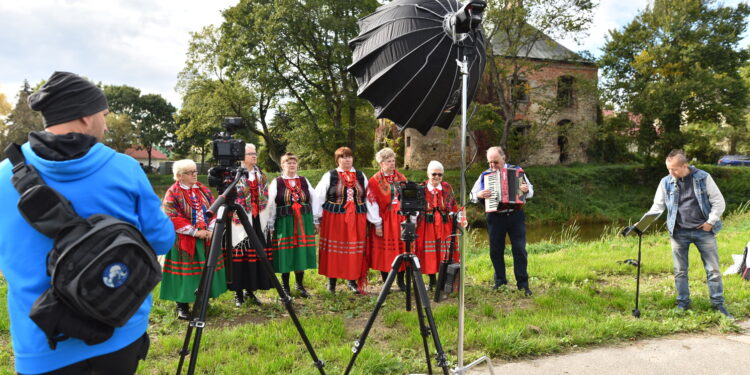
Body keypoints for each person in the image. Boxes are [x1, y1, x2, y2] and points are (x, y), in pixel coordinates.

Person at [0, 71, 175, 374]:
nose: (106, 124)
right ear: (84, 117)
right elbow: (161, 240)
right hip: (119, 328)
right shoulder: (124, 169)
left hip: (43, 341)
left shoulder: (3, 176)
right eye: (103, 115)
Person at [640, 149, 732, 319]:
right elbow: (657, 207)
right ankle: (683, 304)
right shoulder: (666, 182)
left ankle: (718, 305)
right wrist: (641, 225)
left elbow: (718, 202)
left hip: (703, 231)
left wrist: (710, 222)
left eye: (674, 169)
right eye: (668, 169)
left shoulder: (703, 177)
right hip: (678, 232)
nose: (671, 172)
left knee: (713, 270)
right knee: (680, 271)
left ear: (685, 165)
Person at [160, 159, 227, 319]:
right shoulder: (173, 192)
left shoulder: (203, 190)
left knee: (204, 270)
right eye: (190, 172)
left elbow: (214, 207)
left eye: (195, 171)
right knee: (184, 273)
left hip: (206, 238)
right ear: (180, 176)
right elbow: (171, 215)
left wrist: (210, 228)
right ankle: (182, 306)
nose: (195, 175)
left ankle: (203, 300)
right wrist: (194, 232)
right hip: (184, 241)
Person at [470, 146, 533, 296]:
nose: (492, 166)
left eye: (495, 162)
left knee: (519, 250)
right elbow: (472, 196)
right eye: (490, 162)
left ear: (504, 158)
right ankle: (500, 282)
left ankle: (523, 285)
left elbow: (530, 191)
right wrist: (479, 194)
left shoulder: (517, 170)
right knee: (496, 251)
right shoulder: (485, 175)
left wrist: (525, 190)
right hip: (495, 217)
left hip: (515, 215)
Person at [314, 147, 369, 294]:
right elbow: (318, 197)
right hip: (334, 219)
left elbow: (369, 198)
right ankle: (332, 282)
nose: (347, 160)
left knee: (353, 250)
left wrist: (374, 220)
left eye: (349, 157)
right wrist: (316, 219)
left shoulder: (361, 175)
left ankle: (351, 281)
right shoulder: (330, 175)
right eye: (343, 157)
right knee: (334, 251)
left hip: (357, 219)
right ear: (337, 159)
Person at [266, 153, 319, 298]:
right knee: (286, 253)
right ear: (282, 165)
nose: (291, 165)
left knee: (300, 253)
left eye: (294, 162)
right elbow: (270, 204)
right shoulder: (277, 182)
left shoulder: (304, 180)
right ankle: (285, 287)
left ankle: (300, 285)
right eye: (288, 163)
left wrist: (315, 220)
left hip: (303, 222)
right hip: (285, 223)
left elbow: (314, 199)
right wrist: (270, 226)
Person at [228, 143, 272, 306]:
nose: (254, 156)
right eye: (250, 154)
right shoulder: (234, 174)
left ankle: (251, 291)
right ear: (241, 157)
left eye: (255, 153)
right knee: (240, 255)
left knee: (255, 255)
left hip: (257, 219)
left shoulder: (261, 175)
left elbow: (266, 196)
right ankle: (238, 294)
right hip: (238, 220)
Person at [367, 147, 408, 290]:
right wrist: (377, 224)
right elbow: (371, 204)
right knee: (385, 252)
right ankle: (386, 282)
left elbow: (408, 197)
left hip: (401, 218)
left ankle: (401, 281)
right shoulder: (374, 181)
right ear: (381, 163)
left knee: (402, 248)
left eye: (393, 161)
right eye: (388, 161)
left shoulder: (401, 177)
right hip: (385, 219)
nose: (392, 164)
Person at [415, 161, 460, 291]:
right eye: (434, 174)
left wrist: (457, 223)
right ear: (428, 174)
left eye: (440, 175)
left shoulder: (446, 188)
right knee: (430, 253)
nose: (437, 177)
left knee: (445, 252)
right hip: (427, 225)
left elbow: (454, 205)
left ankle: (445, 281)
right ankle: (432, 281)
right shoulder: (422, 188)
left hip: (445, 224)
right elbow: (416, 209)